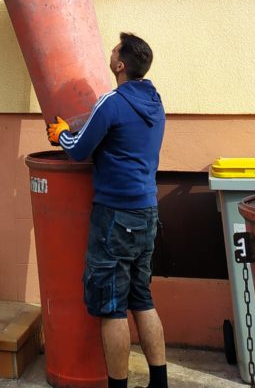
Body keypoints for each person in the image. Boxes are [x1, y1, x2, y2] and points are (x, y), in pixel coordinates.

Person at [47, 33, 168, 388]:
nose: (110, 53)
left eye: (114, 51)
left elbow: (78, 149)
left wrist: (62, 133)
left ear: (121, 65)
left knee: (112, 306)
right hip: (147, 212)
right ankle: (159, 382)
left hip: (115, 215)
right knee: (142, 299)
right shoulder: (155, 102)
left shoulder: (112, 103)